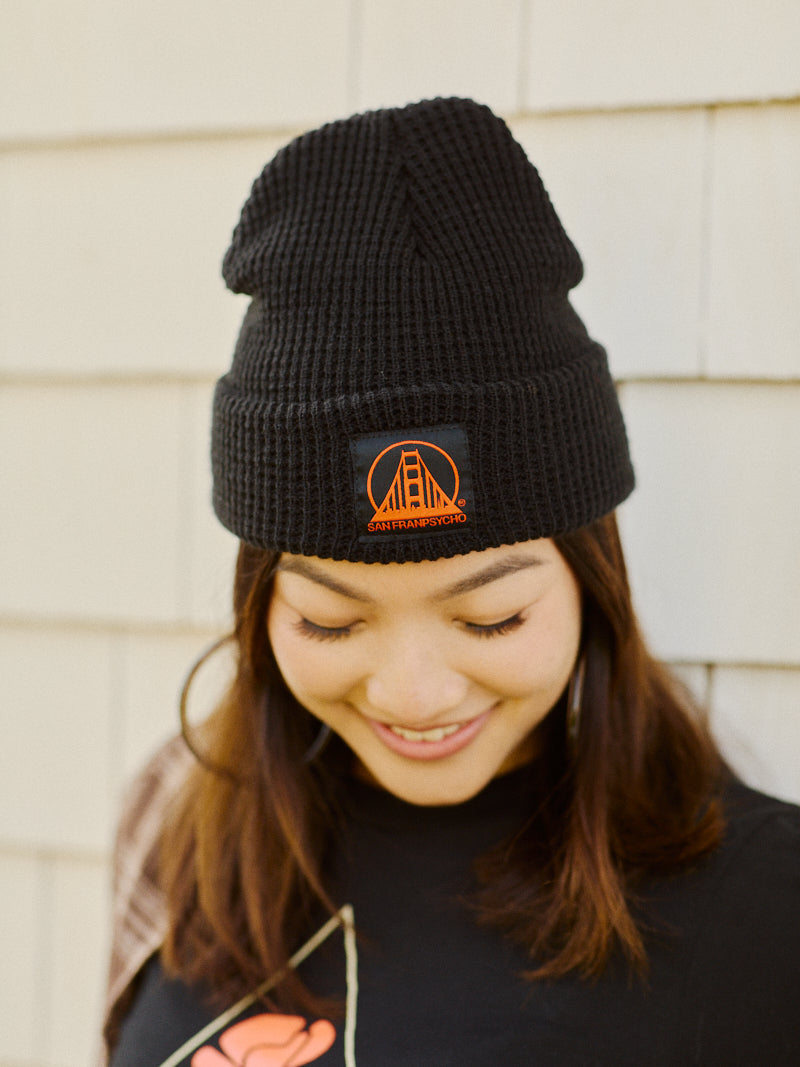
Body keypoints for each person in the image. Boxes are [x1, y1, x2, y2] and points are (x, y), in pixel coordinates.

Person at [101, 98, 800, 1066]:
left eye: (490, 614)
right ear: (260, 600)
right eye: (330, 620)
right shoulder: (180, 819)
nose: (413, 693)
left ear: (591, 581)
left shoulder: (761, 912)